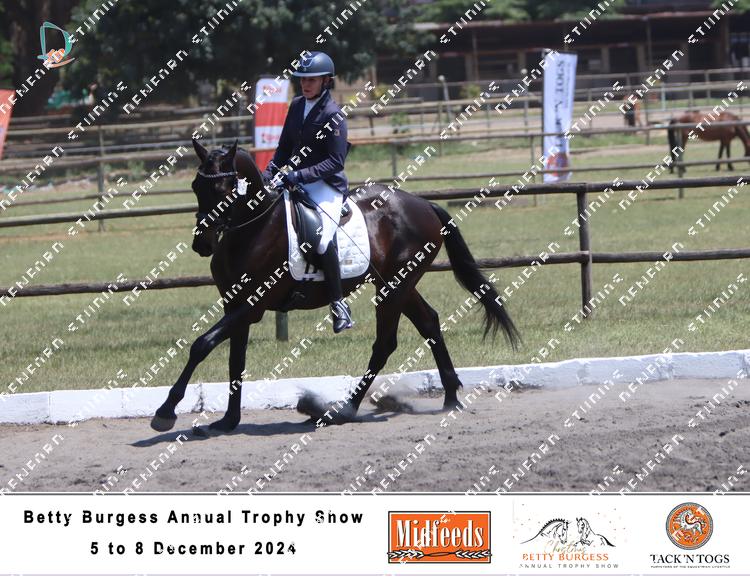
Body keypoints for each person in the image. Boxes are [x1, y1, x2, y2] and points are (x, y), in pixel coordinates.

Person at [261, 51, 354, 333]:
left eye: (311, 80)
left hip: (326, 185)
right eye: (302, 79)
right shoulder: (297, 105)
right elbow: (284, 149)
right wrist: (268, 173)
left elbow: (335, 162)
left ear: (326, 81)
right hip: (294, 181)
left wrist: (298, 175)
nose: (305, 84)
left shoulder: (333, 115)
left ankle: (339, 305)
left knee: (323, 240)